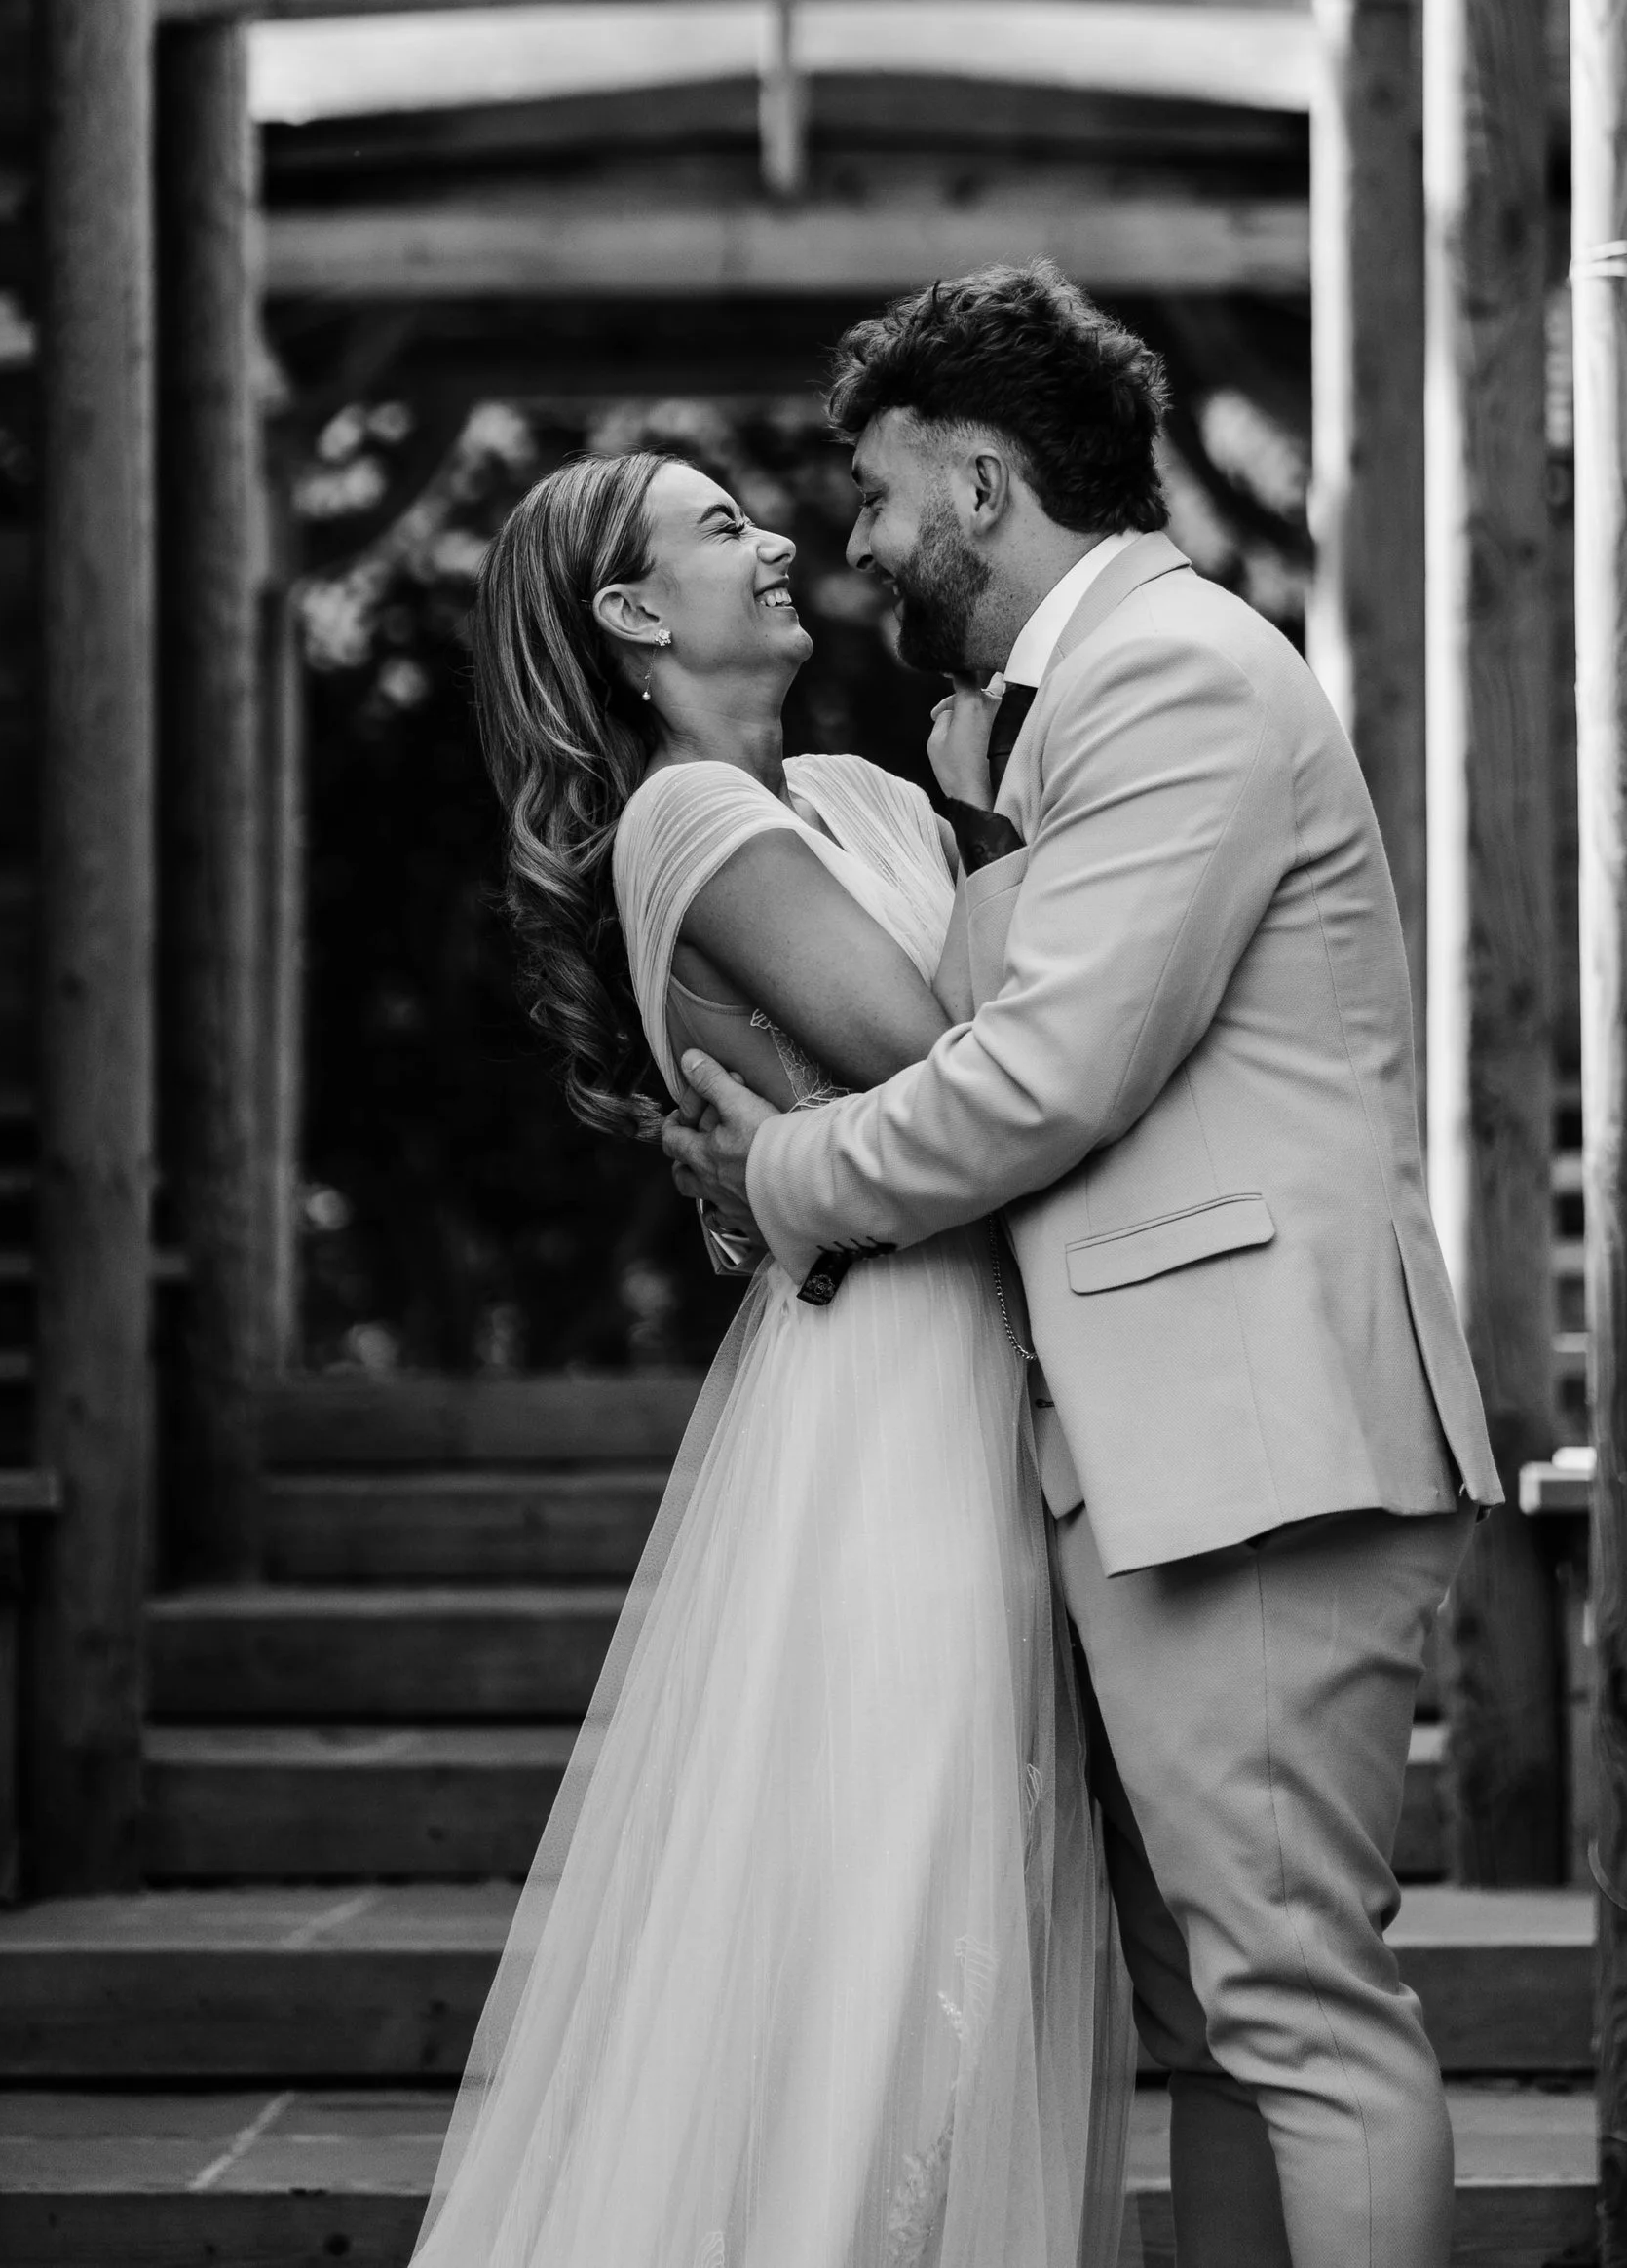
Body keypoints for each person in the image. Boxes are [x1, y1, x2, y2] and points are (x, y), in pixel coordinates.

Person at [667, 263, 1503, 2268]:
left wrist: (783, 1171)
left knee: (1290, 2008)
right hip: (1158, 1447)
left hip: (1254, 1439)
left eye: (875, 495)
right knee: (1206, 2027)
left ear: (975, 476)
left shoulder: (1172, 676)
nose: (855, 542)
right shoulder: (1062, 708)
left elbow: (1049, 1076)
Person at [417, 445, 1131, 2268]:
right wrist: (999, 840)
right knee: (898, 1897)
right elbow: (941, 1052)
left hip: (980, 1339)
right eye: (720, 526)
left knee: (974, 1891)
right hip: (890, 1386)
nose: (777, 538)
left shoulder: (841, 788)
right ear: (636, 615)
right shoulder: (679, 819)